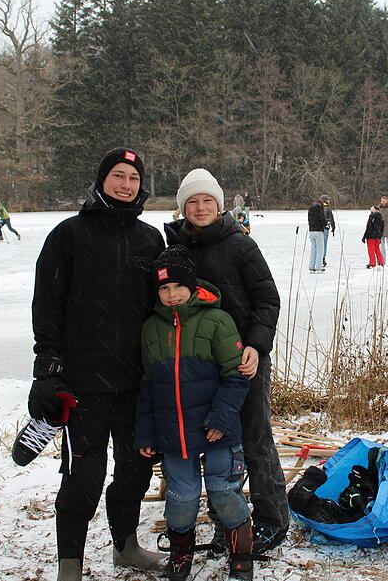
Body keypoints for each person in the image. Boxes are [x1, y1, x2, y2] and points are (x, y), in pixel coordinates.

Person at [29, 147, 166, 581]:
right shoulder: (68, 235)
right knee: (83, 477)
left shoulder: (150, 240)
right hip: (83, 383)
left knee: (134, 470)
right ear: (102, 179)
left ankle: (125, 546)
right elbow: (47, 305)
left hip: (134, 383)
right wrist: (47, 366)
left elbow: (161, 308)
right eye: (118, 176)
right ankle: (70, 564)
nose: (126, 185)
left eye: (133, 178)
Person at [165, 168, 288, 554]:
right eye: (192, 202)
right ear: (182, 207)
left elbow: (267, 300)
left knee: (254, 440)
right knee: (212, 443)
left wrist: (256, 344)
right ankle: (225, 523)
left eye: (208, 201)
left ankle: (271, 520)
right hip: (200, 366)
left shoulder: (240, 245)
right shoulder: (175, 249)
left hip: (243, 360)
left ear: (219, 205)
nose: (200, 208)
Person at [136, 245, 253, 581]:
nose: (172, 295)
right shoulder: (151, 329)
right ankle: (181, 552)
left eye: (178, 287)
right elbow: (147, 387)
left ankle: (241, 553)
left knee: (224, 492)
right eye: (164, 288)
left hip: (218, 431)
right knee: (181, 497)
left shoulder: (217, 321)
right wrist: (145, 432)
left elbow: (236, 376)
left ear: (192, 287)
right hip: (174, 435)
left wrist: (221, 417)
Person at [307, 197, 326, 273]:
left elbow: (309, 220)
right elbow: (322, 219)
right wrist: (325, 224)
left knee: (313, 249)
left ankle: (311, 266)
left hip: (311, 231)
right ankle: (319, 266)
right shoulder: (319, 209)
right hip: (318, 231)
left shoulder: (310, 209)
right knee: (320, 249)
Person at [321, 195, 336, 266]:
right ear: (325, 200)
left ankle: (319, 258)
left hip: (319, 228)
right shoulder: (328, 208)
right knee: (324, 244)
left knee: (319, 244)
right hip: (325, 228)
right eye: (328, 200)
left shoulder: (319, 207)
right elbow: (331, 218)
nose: (329, 201)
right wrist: (333, 227)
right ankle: (322, 258)